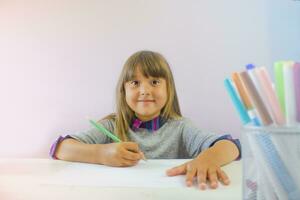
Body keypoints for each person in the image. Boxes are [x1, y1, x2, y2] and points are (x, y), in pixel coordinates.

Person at [50, 50, 241, 190]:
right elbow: (59, 148)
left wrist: (207, 159)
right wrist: (102, 154)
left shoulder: (181, 127)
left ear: (169, 90)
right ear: (123, 91)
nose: (144, 90)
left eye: (155, 82)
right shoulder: (111, 125)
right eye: (135, 83)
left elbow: (231, 146)